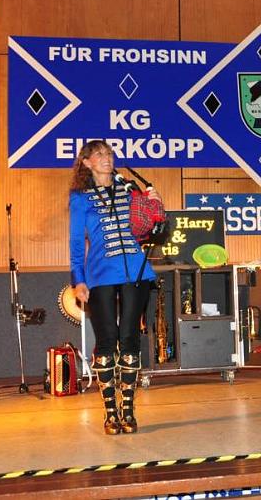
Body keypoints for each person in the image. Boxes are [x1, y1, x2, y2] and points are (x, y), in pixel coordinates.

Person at [69, 139, 163, 435]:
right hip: (100, 273)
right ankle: (111, 412)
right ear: (87, 163)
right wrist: (78, 279)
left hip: (135, 270)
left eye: (109, 153)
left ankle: (129, 410)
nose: (106, 158)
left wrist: (155, 206)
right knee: (107, 341)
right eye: (99, 154)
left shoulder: (130, 190)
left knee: (130, 338)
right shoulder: (80, 198)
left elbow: (150, 228)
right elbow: (76, 242)